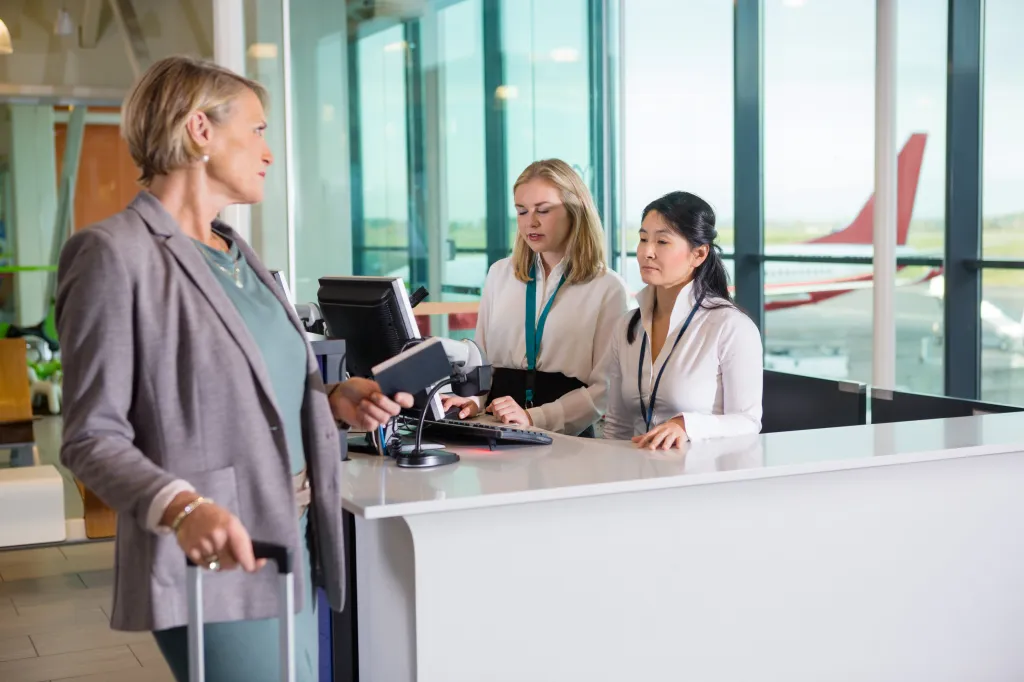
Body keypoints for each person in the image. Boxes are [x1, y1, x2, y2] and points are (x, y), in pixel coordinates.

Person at [55, 56, 412, 682]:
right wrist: (183, 509)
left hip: (293, 532)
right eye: (257, 129)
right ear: (200, 130)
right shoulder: (113, 255)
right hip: (213, 553)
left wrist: (331, 398)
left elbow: (245, 382)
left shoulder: (237, 252)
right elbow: (91, 437)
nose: (268, 151)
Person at [442, 159, 628, 437]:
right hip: (498, 427)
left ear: (575, 211)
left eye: (544, 210)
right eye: (521, 211)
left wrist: (534, 417)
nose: (531, 222)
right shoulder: (499, 274)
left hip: (566, 437)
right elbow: (480, 362)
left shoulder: (607, 287)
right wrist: (472, 400)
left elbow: (604, 389)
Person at [601, 191, 763, 449]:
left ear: (698, 254)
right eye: (643, 239)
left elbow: (748, 421)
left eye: (662, 242)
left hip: (700, 477)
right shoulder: (627, 327)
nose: (647, 252)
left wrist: (687, 425)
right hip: (636, 475)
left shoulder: (730, 327)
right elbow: (618, 426)